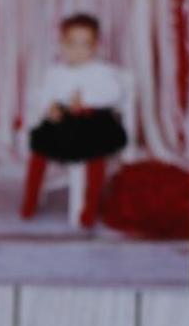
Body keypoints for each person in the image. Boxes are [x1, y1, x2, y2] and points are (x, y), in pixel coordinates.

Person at [20, 12, 127, 227]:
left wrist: (87, 99)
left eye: (84, 44)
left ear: (95, 46)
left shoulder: (101, 71)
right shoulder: (55, 73)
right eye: (72, 44)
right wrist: (49, 107)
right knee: (39, 147)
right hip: (64, 125)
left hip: (93, 122)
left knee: (96, 154)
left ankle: (91, 205)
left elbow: (114, 93)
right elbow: (45, 94)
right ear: (62, 44)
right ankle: (30, 199)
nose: (77, 51)